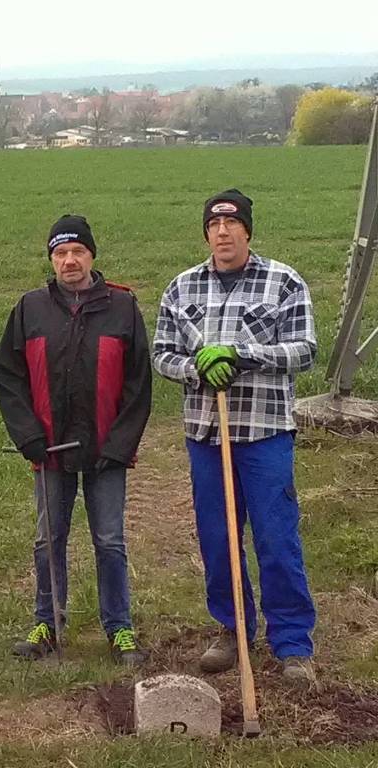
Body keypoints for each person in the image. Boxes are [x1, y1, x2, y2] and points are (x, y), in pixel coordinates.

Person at [152, 189, 317, 685]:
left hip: (265, 433)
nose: (222, 231)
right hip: (207, 434)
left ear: (247, 229)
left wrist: (242, 355)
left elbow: (305, 350)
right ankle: (233, 628)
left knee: (276, 537)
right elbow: (162, 354)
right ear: (206, 232)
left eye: (231, 223)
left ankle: (292, 644)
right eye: (214, 224)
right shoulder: (181, 288)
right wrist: (196, 368)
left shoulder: (283, 282)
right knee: (218, 537)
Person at [0, 214, 152, 666]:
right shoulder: (30, 308)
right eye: (60, 253)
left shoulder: (122, 307)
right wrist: (28, 435)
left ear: (92, 256)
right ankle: (47, 623)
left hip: (106, 452)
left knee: (110, 541)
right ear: (51, 260)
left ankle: (119, 627)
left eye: (77, 251)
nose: (69, 261)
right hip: (49, 451)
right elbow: (7, 374)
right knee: (48, 540)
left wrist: (119, 445)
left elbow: (139, 382)